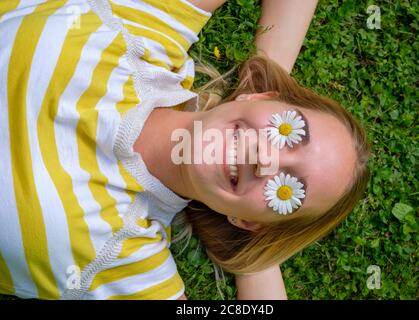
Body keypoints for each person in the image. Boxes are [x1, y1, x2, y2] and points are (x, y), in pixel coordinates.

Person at [0, 0, 370, 300]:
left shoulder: (124, 261)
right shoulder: (145, 30)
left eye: (288, 191)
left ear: (247, 222)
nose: (265, 159)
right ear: (263, 97)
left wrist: (250, 253)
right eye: (290, 131)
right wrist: (261, 74)